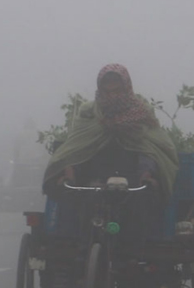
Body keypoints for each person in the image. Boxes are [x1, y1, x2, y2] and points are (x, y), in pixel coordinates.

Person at [42, 64, 178, 242]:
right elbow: (75, 148)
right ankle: (85, 251)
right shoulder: (89, 112)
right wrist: (69, 172)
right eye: (107, 91)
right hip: (94, 176)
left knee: (141, 205)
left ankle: (135, 252)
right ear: (100, 90)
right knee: (84, 204)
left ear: (126, 88)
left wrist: (147, 174)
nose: (112, 96)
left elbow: (149, 149)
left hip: (132, 177)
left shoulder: (141, 112)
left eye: (117, 90)